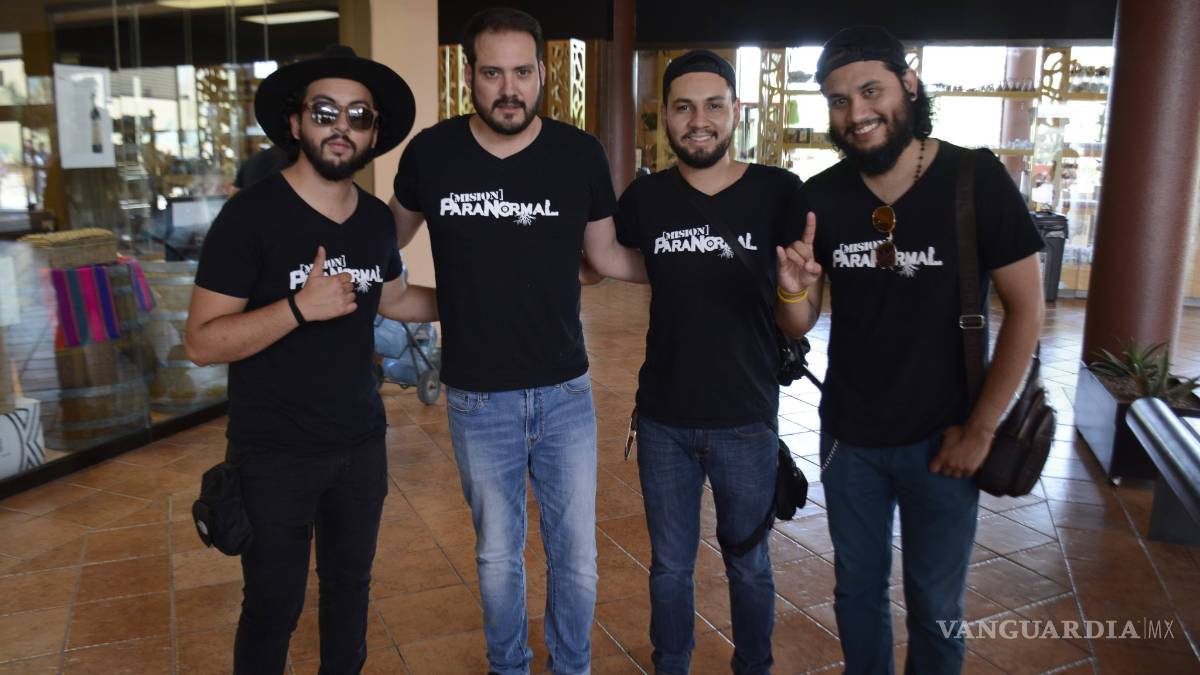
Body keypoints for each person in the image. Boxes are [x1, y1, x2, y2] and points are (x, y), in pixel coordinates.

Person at [389, 8, 642, 674]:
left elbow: (606, 257)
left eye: (522, 72)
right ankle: (508, 667)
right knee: (497, 555)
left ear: (543, 74)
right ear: (469, 74)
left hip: (565, 393)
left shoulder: (578, 154)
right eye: (493, 73)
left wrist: (701, 262)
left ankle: (571, 667)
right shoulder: (432, 154)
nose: (509, 89)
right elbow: (383, 240)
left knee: (577, 558)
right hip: (477, 398)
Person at [793, 26, 1045, 674]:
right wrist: (792, 289)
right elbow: (800, 321)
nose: (856, 112)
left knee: (936, 606)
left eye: (870, 90)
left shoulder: (974, 178)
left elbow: (1027, 308)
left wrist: (981, 429)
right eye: (839, 100)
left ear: (908, 85)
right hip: (849, 440)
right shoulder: (821, 196)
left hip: (946, 439)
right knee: (857, 595)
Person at [184, 45, 437, 674]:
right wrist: (298, 308)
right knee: (273, 607)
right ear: (297, 123)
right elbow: (201, 342)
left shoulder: (375, 221)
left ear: (373, 133)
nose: (341, 126)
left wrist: (480, 298)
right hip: (273, 453)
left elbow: (394, 299)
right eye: (325, 112)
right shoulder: (250, 216)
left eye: (358, 115)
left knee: (350, 594)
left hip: (360, 444)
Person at [605, 50, 814, 674]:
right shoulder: (646, 198)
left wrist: (793, 290)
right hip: (664, 419)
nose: (700, 120)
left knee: (748, 564)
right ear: (665, 116)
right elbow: (616, 260)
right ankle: (671, 665)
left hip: (746, 418)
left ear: (736, 111)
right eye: (684, 107)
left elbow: (798, 321)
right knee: (670, 566)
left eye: (714, 105)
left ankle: (755, 666)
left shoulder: (778, 192)